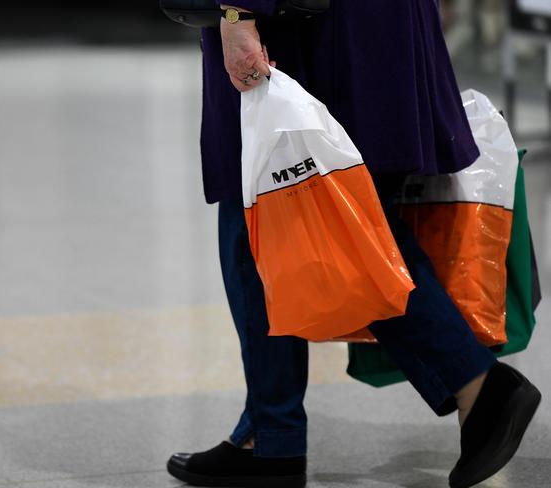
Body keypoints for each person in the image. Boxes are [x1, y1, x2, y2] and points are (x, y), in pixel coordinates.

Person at [166, 2, 542, 487]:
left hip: (308, 26)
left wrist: (240, 12)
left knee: (274, 216)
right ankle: (273, 431)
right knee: (334, 215)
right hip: (362, 24)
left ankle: (472, 382)